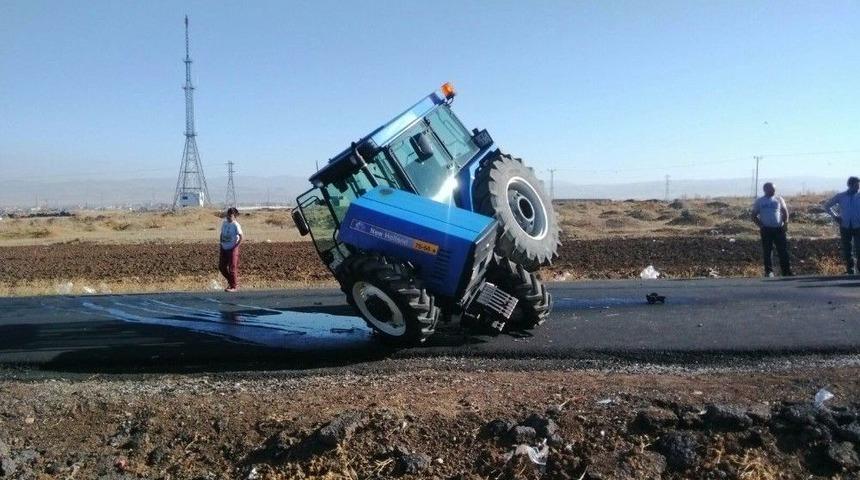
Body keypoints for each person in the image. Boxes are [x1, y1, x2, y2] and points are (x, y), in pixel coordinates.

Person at [751, 182, 792, 277]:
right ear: (765, 190)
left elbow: (785, 212)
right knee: (767, 251)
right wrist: (761, 226)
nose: (773, 191)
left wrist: (785, 224)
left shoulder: (779, 199)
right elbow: (753, 216)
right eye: (771, 189)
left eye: (774, 189)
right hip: (766, 230)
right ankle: (769, 272)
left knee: (783, 251)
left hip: (779, 229)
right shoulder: (760, 201)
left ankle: (786, 271)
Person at [823, 176, 860, 275]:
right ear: (850, 185)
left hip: (858, 226)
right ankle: (850, 271)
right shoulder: (841, 196)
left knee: (859, 249)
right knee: (848, 250)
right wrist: (835, 216)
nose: (858, 187)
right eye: (856, 185)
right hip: (845, 226)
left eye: (858, 185)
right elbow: (826, 206)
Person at [219, 207, 243, 292]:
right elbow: (221, 233)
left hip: (232, 248)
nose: (229, 217)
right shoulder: (224, 223)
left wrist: (236, 246)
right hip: (224, 247)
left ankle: (234, 287)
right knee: (221, 267)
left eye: (231, 215)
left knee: (232, 268)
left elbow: (241, 236)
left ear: (234, 216)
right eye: (228, 215)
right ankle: (231, 281)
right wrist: (221, 242)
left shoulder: (236, 225)